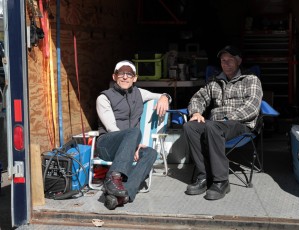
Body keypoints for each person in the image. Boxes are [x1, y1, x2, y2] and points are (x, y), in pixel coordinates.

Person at [183, 45, 263, 200]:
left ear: (239, 61)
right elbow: (198, 98)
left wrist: (227, 118)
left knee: (213, 126)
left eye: (230, 60)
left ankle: (221, 181)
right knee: (190, 126)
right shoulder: (215, 82)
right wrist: (196, 112)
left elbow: (252, 107)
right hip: (216, 126)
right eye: (223, 60)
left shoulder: (250, 79)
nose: (226, 63)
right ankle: (204, 176)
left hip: (241, 124)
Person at [96, 60, 171, 209]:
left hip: (129, 145)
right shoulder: (104, 97)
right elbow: (112, 128)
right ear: (114, 76)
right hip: (107, 145)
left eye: (129, 74)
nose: (125, 77)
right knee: (134, 131)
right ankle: (113, 178)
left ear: (134, 78)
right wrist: (133, 146)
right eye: (121, 73)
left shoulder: (140, 93)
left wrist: (165, 97)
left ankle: (122, 197)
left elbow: (161, 95)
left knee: (150, 153)